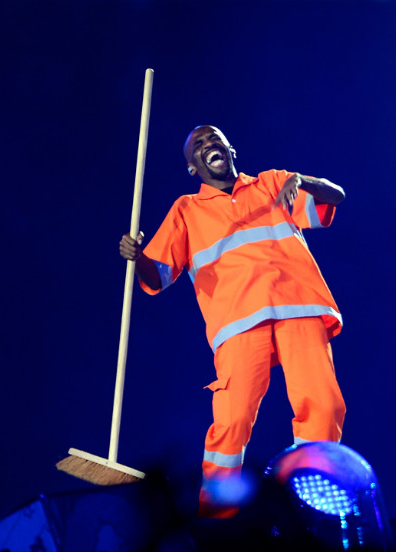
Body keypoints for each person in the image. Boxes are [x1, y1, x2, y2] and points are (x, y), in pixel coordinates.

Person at [118, 125, 347, 519]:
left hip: (298, 306)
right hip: (238, 321)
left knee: (323, 404)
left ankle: (316, 498)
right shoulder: (186, 210)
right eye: (200, 145)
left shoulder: (272, 184)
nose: (210, 146)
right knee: (233, 419)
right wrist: (137, 256)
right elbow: (157, 276)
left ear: (231, 148)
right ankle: (217, 516)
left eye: (215, 139)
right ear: (193, 167)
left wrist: (301, 178)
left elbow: (336, 195)